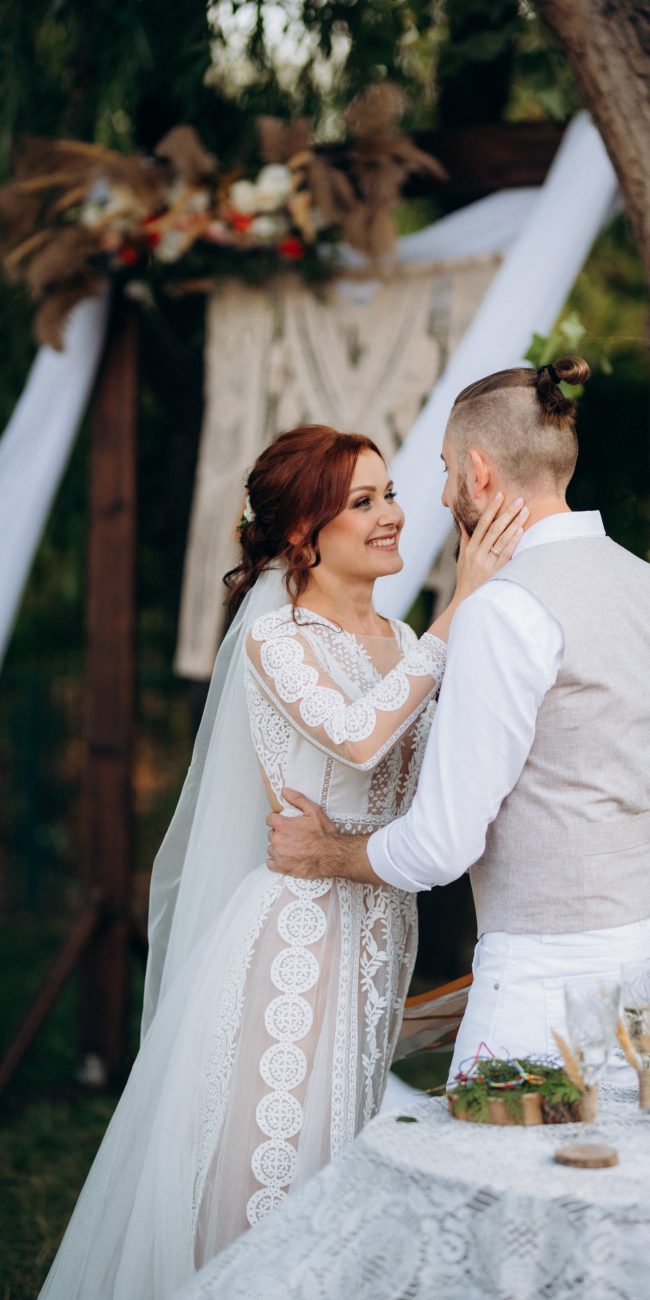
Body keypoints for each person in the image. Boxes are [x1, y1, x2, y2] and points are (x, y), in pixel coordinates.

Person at [39, 424, 524, 1299]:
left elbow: (435, 788)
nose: (391, 515)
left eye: (389, 493)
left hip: (381, 928)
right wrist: (462, 606)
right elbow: (359, 737)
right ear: (304, 532)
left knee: (340, 1165)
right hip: (296, 937)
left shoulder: (402, 637)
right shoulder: (280, 638)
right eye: (362, 502)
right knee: (272, 1173)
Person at [266, 360, 650, 1078]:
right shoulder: (641, 582)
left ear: (478, 472)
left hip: (541, 994)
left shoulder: (505, 609)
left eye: (445, 472)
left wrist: (326, 853)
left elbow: (441, 846)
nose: (442, 496)